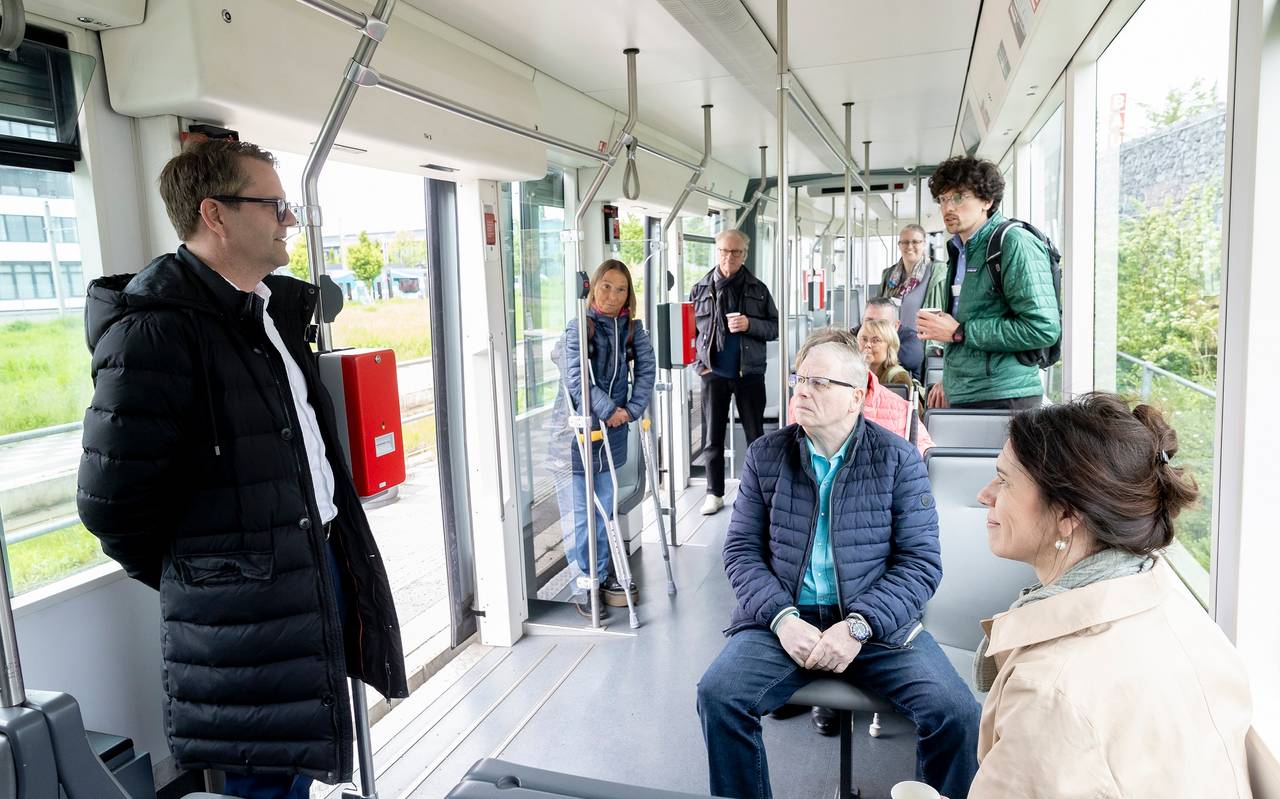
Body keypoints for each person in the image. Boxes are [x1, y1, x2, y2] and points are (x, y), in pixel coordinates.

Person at [76, 139, 408, 798]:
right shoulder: (154, 335)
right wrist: (209, 575)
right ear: (215, 215)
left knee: (298, 762)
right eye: (274, 205)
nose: (289, 219)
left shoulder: (269, 311)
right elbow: (111, 506)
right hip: (243, 606)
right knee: (264, 779)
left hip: (313, 564)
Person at [697, 328, 980, 799]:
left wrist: (857, 626)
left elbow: (920, 564)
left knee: (956, 714)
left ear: (856, 397)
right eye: (799, 379)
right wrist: (782, 619)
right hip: (786, 619)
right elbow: (741, 551)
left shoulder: (898, 460)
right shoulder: (767, 455)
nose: (802, 391)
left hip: (874, 624)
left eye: (819, 382)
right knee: (719, 695)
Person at [967, 393, 1252, 797]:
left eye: (1005, 480)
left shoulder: (1050, 691)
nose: (985, 494)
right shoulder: (1183, 614)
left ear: (1067, 513)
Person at [553, 259, 656, 617]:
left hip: (613, 433)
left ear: (629, 296)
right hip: (579, 433)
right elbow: (576, 378)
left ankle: (604, 570)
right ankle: (588, 580)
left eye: (621, 289)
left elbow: (646, 372)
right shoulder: (578, 328)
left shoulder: (633, 331)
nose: (612, 295)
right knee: (584, 511)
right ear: (594, 287)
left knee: (606, 507)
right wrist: (609, 409)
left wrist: (631, 410)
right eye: (606, 286)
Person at [916, 156, 1058, 410]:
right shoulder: (960, 250)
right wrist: (950, 380)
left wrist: (960, 331)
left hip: (1005, 396)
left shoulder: (1014, 242)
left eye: (959, 197)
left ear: (987, 201)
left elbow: (1042, 328)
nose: (948, 208)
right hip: (966, 393)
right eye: (943, 199)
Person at [689, 229, 779, 516]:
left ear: (744, 254)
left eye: (736, 252)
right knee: (712, 438)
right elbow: (690, 333)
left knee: (755, 437)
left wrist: (750, 324)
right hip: (713, 373)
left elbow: (774, 328)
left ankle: (756, 493)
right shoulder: (700, 289)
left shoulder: (759, 289)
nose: (729, 257)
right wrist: (700, 365)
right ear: (717, 252)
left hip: (749, 373)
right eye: (724, 251)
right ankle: (714, 493)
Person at [877, 222, 947, 325]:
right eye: (905, 242)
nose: (909, 246)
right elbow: (877, 308)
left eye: (915, 242)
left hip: (922, 335)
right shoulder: (888, 275)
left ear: (924, 244)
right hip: (890, 334)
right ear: (899, 245)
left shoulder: (938, 272)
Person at [854, 297, 924, 378]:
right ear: (862, 321)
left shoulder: (911, 339)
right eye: (869, 321)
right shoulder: (855, 333)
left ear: (896, 326)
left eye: (882, 323)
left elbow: (912, 358)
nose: (874, 327)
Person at [858, 318, 913, 389]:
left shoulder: (899, 378)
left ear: (890, 346)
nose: (867, 345)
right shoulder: (855, 374)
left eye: (875, 340)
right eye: (864, 339)